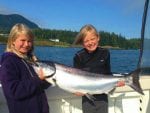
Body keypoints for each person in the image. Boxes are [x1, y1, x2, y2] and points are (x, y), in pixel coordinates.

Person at [73, 24, 124, 113]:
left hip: (103, 95)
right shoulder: (78, 56)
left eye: (92, 39)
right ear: (82, 43)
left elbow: (108, 73)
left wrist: (116, 83)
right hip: (87, 96)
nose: (90, 43)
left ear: (98, 38)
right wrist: (75, 91)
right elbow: (74, 78)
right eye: (86, 41)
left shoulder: (105, 53)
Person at [0, 23, 50, 113]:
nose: (26, 44)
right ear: (13, 41)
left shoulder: (32, 60)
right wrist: (38, 80)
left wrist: (48, 78)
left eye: (29, 41)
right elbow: (13, 91)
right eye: (22, 40)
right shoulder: (8, 62)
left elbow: (41, 86)